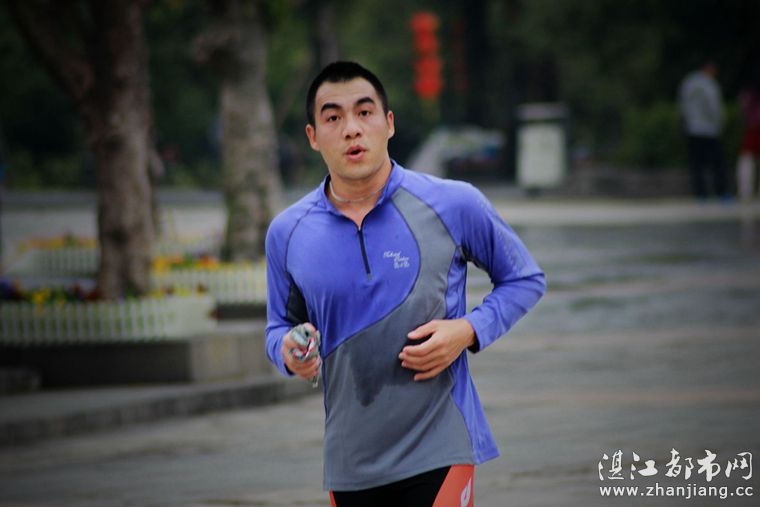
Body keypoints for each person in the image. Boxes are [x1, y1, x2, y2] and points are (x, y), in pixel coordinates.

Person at [265, 61, 546, 506]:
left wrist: (468, 330)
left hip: (441, 447)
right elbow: (278, 327)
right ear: (313, 137)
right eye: (333, 118)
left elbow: (524, 279)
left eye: (365, 112)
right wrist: (288, 352)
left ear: (389, 124)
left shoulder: (453, 203)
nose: (352, 129)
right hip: (349, 463)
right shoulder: (287, 232)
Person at [678, 59, 728, 200]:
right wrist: (720, 122)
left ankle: (700, 194)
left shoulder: (689, 82)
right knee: (717, 163)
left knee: (696, 164)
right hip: (710, 130)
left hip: (692, 128)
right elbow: (714, 106)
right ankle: (721, 192)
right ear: (709, 68)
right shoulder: (709, 84)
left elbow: (682, 104)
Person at [737, 72, 760, 201]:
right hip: (753, 128)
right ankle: (746, 192)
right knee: (747, 159)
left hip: (752, 127)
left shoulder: (748, 94)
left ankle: (745, 192)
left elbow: (743, 109)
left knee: (746, 160)